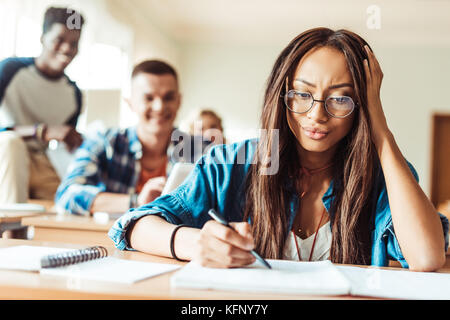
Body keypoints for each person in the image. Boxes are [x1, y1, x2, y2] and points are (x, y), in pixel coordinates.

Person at [109, 28, 449, 271]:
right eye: (302, 94)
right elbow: (132, 227)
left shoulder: (381, 176)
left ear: (361, 106)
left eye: (341, 99)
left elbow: (427, 257)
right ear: (282, 95)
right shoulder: (231, 164)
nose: (317, 115)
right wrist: (193, 243)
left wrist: (381, 130)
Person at [55, 60, 209, 216]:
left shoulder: (201, 151)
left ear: (179, 101)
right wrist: (137, 201)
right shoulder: (104, 142)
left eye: (168, 97)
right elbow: (67, 194)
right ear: (130, 103)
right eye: (149, 98)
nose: (159, 107)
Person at [0, 7, 84, 204]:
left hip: (41, 161)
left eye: (74, 43)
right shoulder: (10, 70)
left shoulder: (74, 95)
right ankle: (11, 231)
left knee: (69, 199)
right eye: (59, 39)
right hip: (4, 152)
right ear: (42, 38)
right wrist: (41, 131)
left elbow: (65, 150)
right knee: (11, 144)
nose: (67, 49)